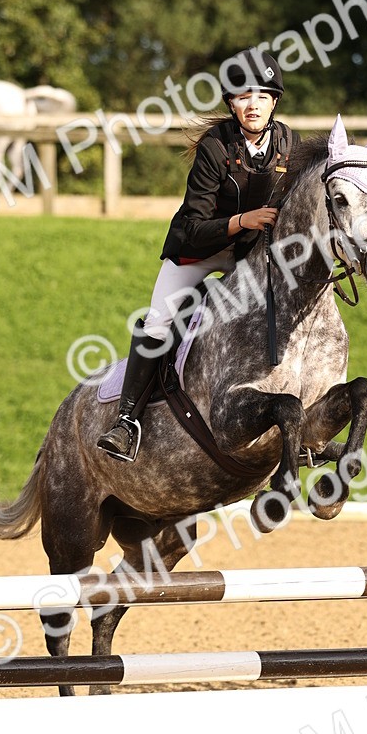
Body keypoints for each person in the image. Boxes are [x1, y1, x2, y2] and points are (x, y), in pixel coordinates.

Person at [97, 46, 301, 462]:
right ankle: (126, 422)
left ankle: (299, 426)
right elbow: (192, 225)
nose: (253, 105)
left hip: (251, 253)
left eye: (262, 96)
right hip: (200, 248)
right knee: (158, 322)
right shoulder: (215, 146)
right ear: (230, 103)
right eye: (243, 97)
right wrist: (244, 220)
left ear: (274, 101)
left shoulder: (288, 143)